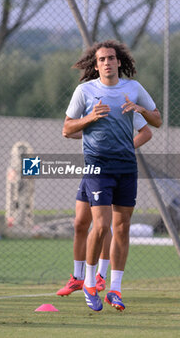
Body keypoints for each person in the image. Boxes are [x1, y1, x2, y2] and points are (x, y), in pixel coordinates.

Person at [63, 39, 162, 311]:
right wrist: (90, 118)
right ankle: (89, 282)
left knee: (122, 228)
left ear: (119, 62)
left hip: (126, 167)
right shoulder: (85, 91)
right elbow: (67, 128)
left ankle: (115, 290)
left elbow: (157, 121)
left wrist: (141, 110)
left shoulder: (133, 88)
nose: (107, 62)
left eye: (111, 58)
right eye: (102, 59)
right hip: (97, 166)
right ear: (96, 65)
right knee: (102, 225)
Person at [57, 117, 152, 296]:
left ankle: (100, 275)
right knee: (80, 223)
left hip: (114, 171)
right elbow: (70, 131)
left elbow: (147, 132)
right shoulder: (89, 103)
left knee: (103, 223)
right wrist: (76, 130)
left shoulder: (125, 104)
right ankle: (78, 278)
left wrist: (123, 149)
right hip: (91, 169)